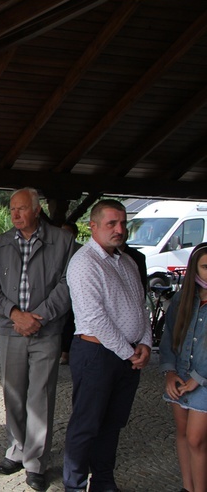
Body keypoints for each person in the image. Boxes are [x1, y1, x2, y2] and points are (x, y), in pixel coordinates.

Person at [0, 187, 75, 491]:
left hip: (46, 330)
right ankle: (17, 450)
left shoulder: (63, 241)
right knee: (14, 394)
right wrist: (14, 314)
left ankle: (35, 462)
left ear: (37, 210)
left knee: (40, 396)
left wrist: (40, 316)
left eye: (21, 209)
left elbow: (68, 283)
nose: (15, 214)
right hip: (11, 330)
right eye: (11, 210)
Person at [63, 199, 151, 492]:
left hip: (127, 355)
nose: (119, 229)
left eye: (123, 223)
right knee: (86, 424)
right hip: (97, 354)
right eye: (112, 223)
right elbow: (95, 319)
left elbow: (141, 307)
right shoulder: (84, 262)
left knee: (113, 424)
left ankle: (103, 481)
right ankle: (74, 485)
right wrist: (130, 353)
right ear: (94, 226)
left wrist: (146, 344)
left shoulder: (126, 261)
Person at [159, 242, 207, 492]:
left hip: (203, 380)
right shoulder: (183, 299)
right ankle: (187, 488)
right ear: (194, 269)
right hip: (180, 374)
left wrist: (199, 377)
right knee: (183, 434)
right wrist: (169, 372)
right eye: (206, 266)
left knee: (197, 439)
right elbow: (168, 337)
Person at [59, 222, 83, 365]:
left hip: (76, 293)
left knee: (70, 323)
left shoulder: (80, 251)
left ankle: (66, 352)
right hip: (59, 292)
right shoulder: (55, 250)